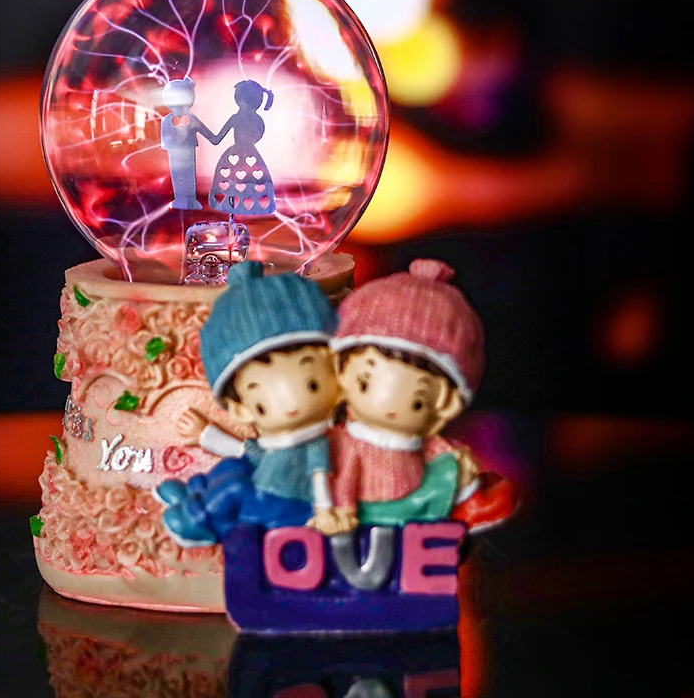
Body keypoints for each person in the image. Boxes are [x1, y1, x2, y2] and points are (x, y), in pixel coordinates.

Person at [156, 261, 352, 545]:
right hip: (266, 493)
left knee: (234, 487)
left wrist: (325, 511)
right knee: (230, 469)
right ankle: (196, 493)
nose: (290, 406)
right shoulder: (278, 443)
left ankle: (197, 520)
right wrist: (206, 435)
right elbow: (247, 452)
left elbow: (320, 479)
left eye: (312, 385)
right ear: (240, 408)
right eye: (263, 404)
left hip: (290, 506)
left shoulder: (316, 444)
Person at [329, 259, 507, 530]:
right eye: (365, 383)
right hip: (359, 517)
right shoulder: (345, 442)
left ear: (447, 403)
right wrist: (341, 509)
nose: (387, 405)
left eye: (417, 400)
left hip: (417, 510)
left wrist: (461, 473)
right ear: (340, 375)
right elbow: (342, 478)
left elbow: (443, 461)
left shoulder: (432, 450)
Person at [207, 80, 275, 215]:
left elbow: (216, 139)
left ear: (238, 99)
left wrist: (201, 130)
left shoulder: (235, 118)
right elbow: (259, 133)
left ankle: (232, 208)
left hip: (233, 156)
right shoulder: (257, 120)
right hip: (251, 156)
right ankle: (244, 208)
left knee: (232, 183)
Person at [160, 76, 215, 211]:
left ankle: (189, 199)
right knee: (178, 174)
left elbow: (210, 136)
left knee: (187, 175)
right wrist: (180, 136)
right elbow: (166, 140)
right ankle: (181, 198)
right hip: (176, 152)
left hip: (186, 150)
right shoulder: (168, 121)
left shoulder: (189, 119)